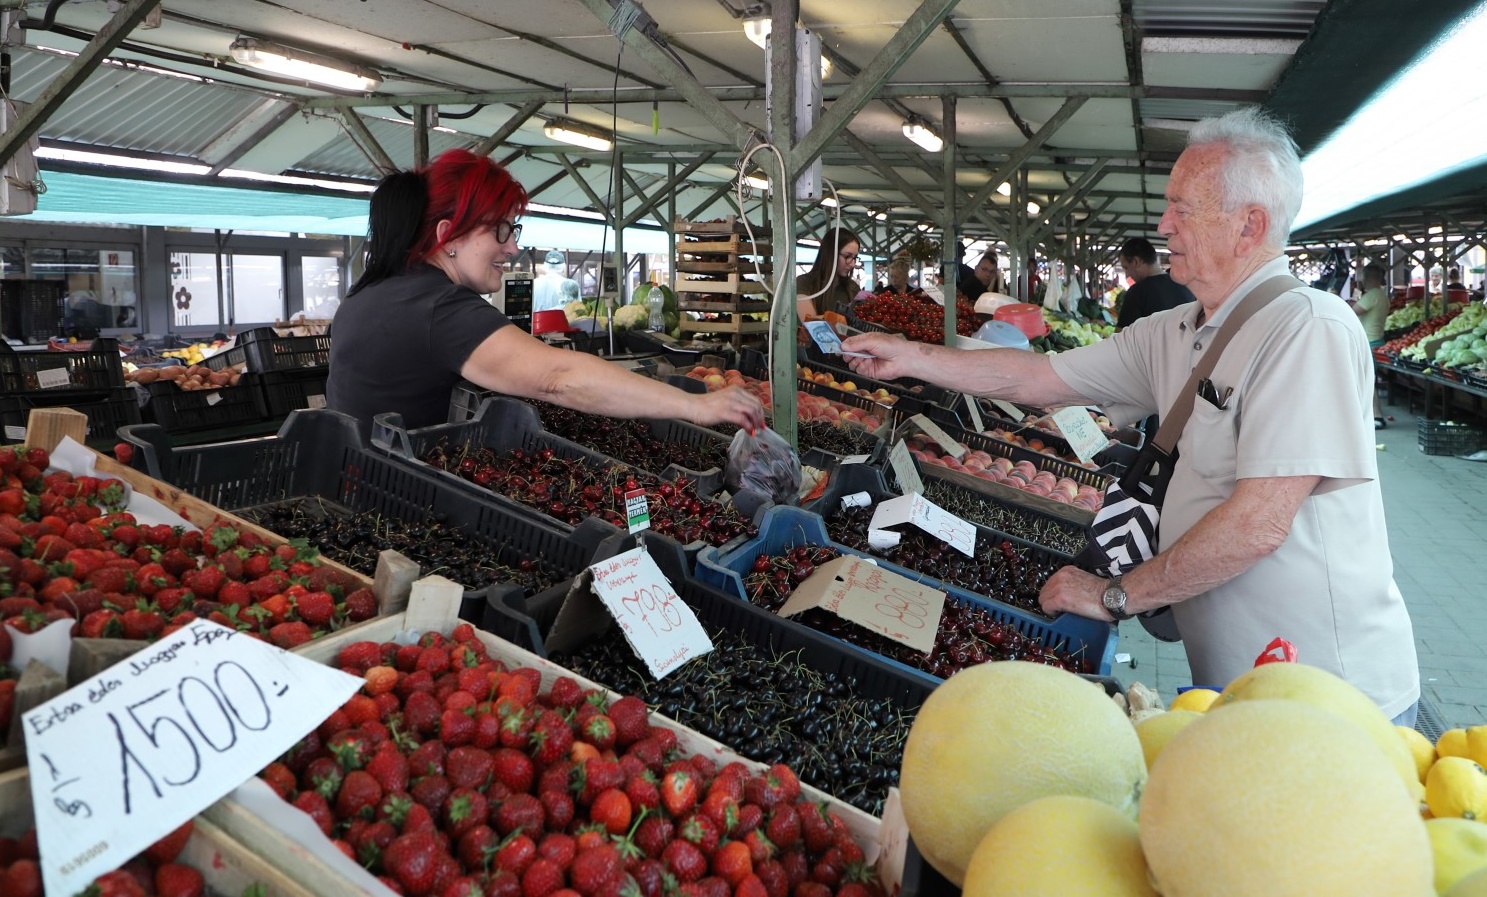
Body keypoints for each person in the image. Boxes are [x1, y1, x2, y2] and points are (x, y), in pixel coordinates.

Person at [841, 107, 1419, 724]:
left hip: (1331, 702)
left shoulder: (1308, 328)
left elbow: (1258, 525)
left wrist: (1115, 596)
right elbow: (1037, 378)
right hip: (1235, 694)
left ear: (1249, 225)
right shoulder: (1176, 331)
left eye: (1182, 208)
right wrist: (913, 357)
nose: (1163, 223)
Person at [327, 149, 764, 435]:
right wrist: (697, 406)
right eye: (500, 229)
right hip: (392, 512)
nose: (513, 246)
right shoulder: (437, 308)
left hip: (357, 491)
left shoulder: (376, 291)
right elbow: (558, 378)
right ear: (449, 236)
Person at [1114, 237, 1195, 330]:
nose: (1127, 274)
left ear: (1136, 262)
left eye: (1126, 268)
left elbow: (1121, 336)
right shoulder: (1185, 285)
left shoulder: (1137, 292)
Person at [1350, 262, 1390, 429]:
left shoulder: (1372, 294)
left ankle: (1377, 416)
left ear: (1368, 278)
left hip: (1369, 342)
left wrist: (1356, 292)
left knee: (1367, 380)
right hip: (1376, 340)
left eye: (1363, 277)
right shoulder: (1380, 295)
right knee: (1367, 379)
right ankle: (1372, 414)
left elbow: (1351, 310)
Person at [795, 227, 861, 318]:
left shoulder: (853, 288)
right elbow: (809, 321)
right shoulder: (804, 283)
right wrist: (845, 320)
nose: (852, 264)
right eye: (847, 256)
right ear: (830, 254)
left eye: (854, 257)